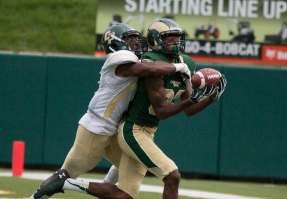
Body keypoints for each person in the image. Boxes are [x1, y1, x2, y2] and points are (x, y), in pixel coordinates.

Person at [61, 18, 226, 199]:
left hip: (148, 132)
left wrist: (211, 98)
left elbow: (189, 110)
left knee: (124, 195)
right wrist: (192, 100)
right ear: (156, 40)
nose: (175, 41)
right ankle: (65, 181)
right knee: (172, 176)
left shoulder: (187, 62)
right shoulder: (152, 61)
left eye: (177, 37)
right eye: (169, 37)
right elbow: (162, 111)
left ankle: (66, 182)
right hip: (133, 130)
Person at [29, 22, 191, 199]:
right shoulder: (119, 57)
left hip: (115, 128)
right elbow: (146, 69)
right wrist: (179, 67)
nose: (136, 42)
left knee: (128, 168)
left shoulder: (137, 58)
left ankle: (104, 187)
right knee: (66, 174)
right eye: (130, 38)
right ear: (114, 43)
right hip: (96, 127)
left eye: (136, 38)